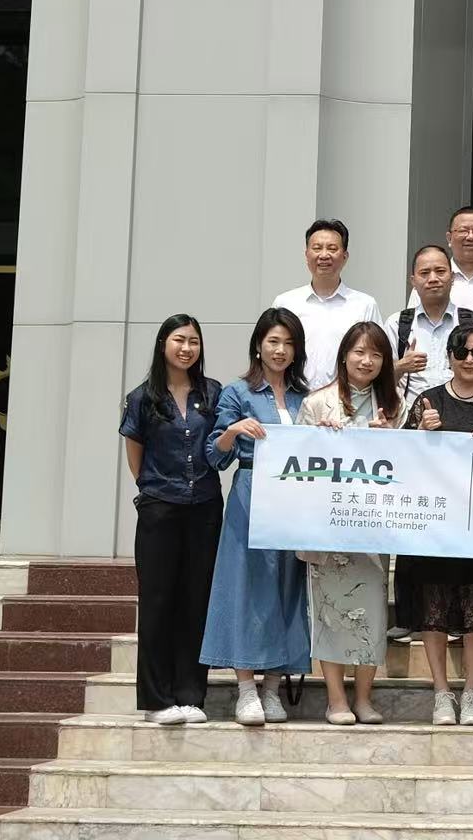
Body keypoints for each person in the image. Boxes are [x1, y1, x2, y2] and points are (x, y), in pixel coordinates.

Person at [200, 308, 311, 727]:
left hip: (294, 500)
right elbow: (214, 456)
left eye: (288, 343)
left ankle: (272, 688)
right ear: (259, 346)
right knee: (247, 587)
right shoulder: (237, 392)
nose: (280, 350)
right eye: (273, 342)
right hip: (250, 494)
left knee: (287, 586)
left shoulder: (305, 396)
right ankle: (246, 688)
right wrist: (233, 431)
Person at [297, 322, 402, 725]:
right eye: (359, 352)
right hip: (328, 527)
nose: (367, 360)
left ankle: (363, 698)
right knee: (330, 611)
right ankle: (336, 699)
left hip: (373, 527)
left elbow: (409, 465)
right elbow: (299, 462)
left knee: (371, 610)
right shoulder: (317, 403)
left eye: (376, 354)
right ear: (344, 356)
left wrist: (389, 438)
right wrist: (319, 437)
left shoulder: (394, 404)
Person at [121, 315, 222, 725]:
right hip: (160, 508)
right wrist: (156, 489)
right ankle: (157, 701)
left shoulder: (211, 392)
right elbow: (135, 455)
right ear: (163, 343)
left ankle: (190, 695)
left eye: (194, 341)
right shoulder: (142, 398)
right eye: (179, 340)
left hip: (205, 507)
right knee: (157, 602)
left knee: (196, 600)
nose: (186, 348)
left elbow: (217, 445)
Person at [403, 321, 473, 728]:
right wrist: (421, 432)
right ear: (448, 357)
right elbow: (402, 458)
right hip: (434, 524)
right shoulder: (428, 400)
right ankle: (441, 693)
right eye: (461, 352)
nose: (469, 360)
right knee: (433, 610)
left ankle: (472, 692)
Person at [273, 219, 381, 390]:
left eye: (332, 248)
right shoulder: (286, 303)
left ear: (345, 256)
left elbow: (376, 356)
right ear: (306, 254)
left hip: (345, 398)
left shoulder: (365, 305)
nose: (324, 255)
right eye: (317, 248)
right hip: (292, 395)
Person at [385, 245, 471, 412]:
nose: (433, 279)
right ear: (413, 281)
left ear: (452, 277)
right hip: (410, 420)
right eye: (424, 273)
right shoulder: (396, 324)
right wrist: (401, 366)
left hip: (461, 417)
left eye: (440, 271)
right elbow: (378, 380)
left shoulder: (470, 322)